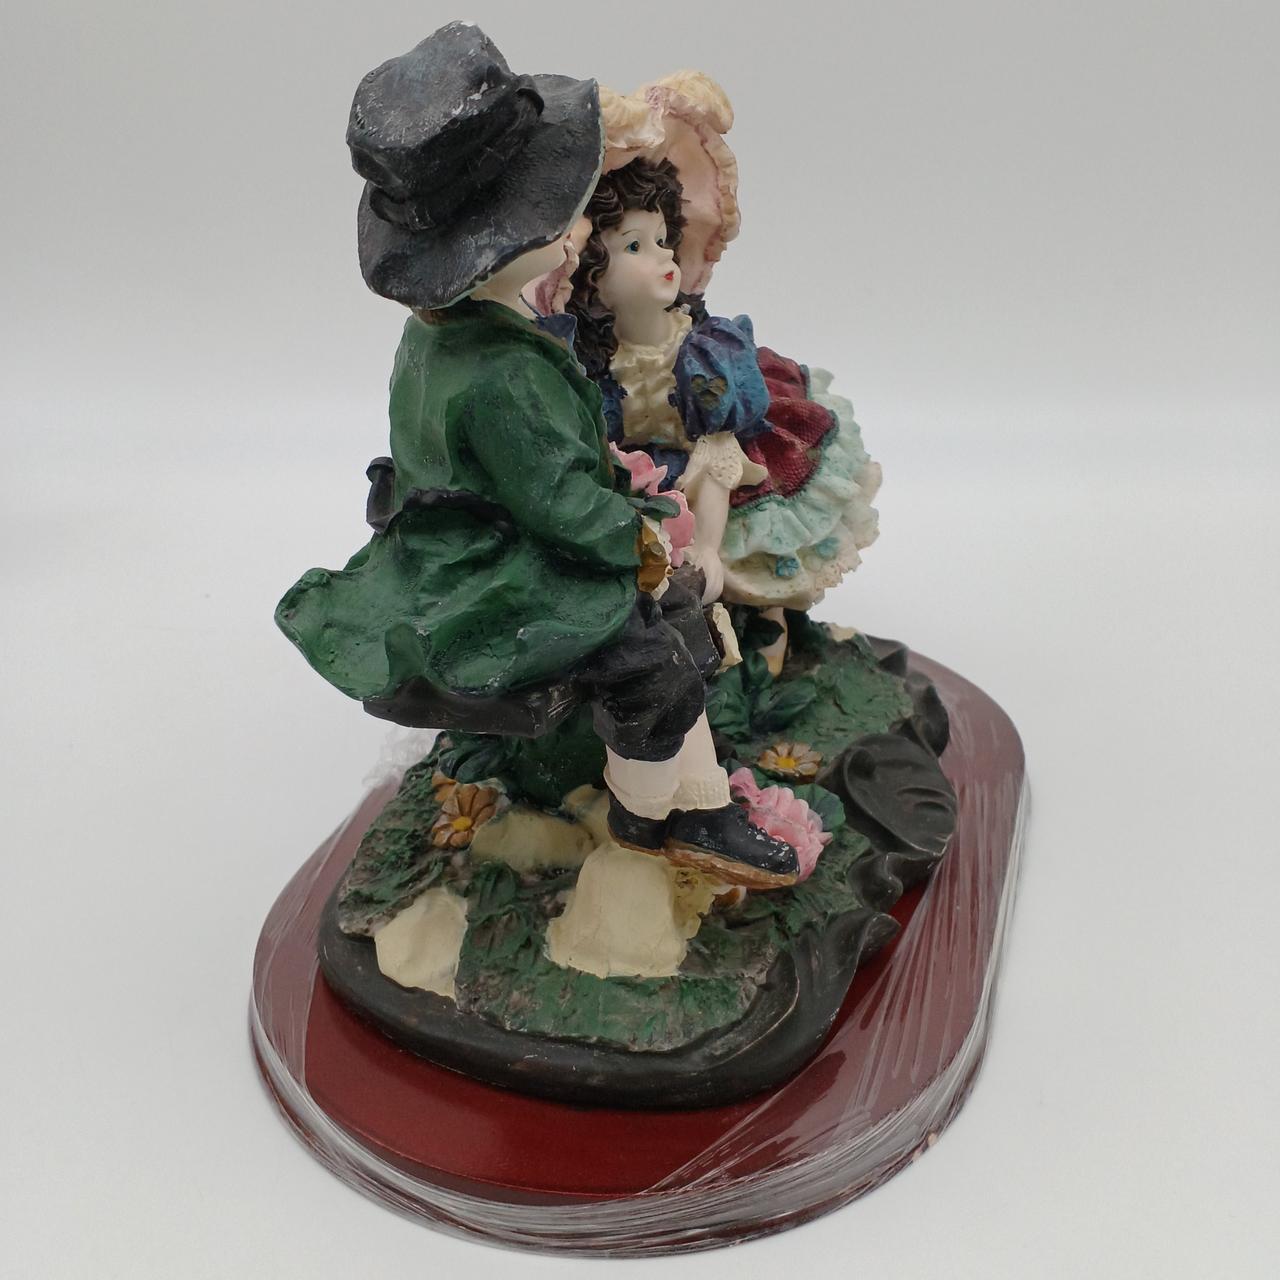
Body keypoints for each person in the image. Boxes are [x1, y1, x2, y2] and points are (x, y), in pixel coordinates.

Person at [275, 24, 798, 888]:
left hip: (483, 538)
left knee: (678, 621)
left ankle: (696, 800)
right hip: (500, 569)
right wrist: (641, 540)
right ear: (496, 246)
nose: (580, 227)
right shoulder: (504, 375)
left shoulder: (449, 334)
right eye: (558, 213)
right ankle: (649, 815)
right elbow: (560, 501)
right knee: (656, 661)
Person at [566, 158, 882, 673]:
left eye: (662, 240)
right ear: (588, 274)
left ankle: (768, 639)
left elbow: (718, 453)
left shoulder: (703, 352)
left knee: (746, 566)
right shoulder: (593, 365)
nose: (664, 257)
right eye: (634, 246)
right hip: (657, 481)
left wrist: (708, 548)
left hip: (728, 470)